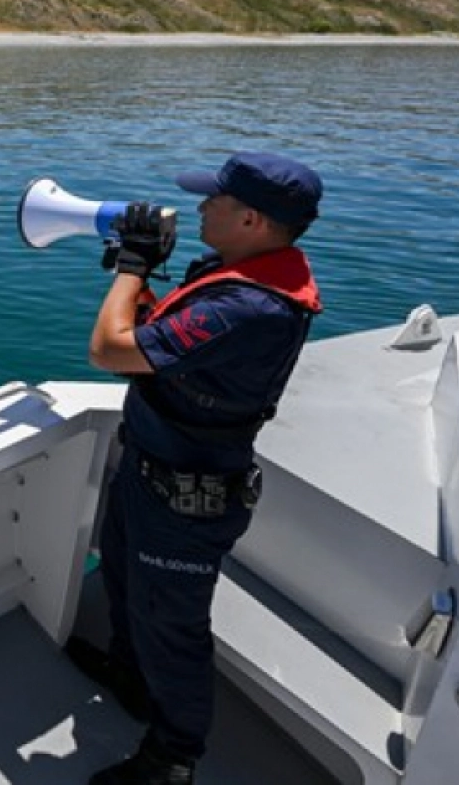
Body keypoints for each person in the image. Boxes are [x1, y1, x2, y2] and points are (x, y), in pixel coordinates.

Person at [72, 152, 324, 785]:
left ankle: (173, 756)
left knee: (173, 630)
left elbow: (110, 350)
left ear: (252, 219)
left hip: (185, 503)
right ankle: (129, 677)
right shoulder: (233, 270)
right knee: (127, 587)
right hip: (151, 471)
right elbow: (172, 331)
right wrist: (143, 278)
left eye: (214, 200)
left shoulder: (252, 307)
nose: (201, 207)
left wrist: (131, 268)